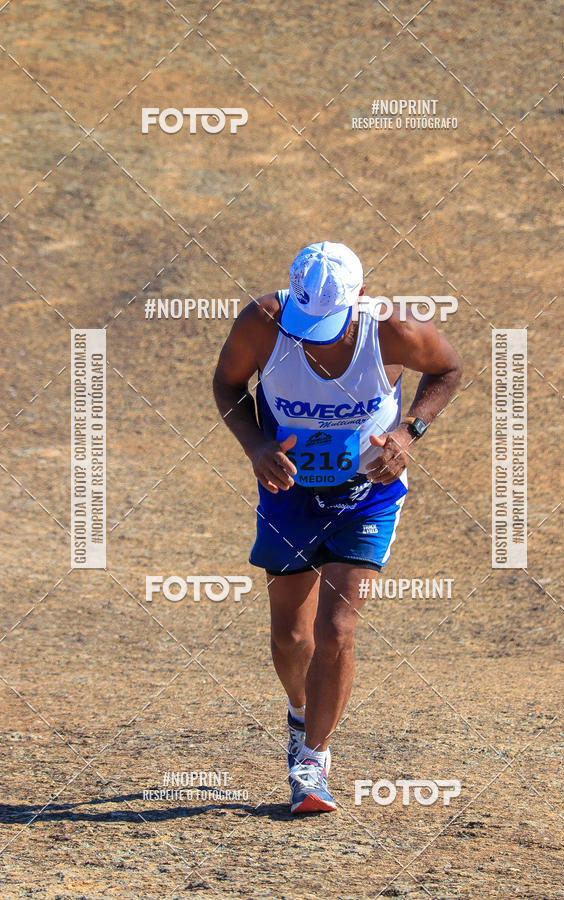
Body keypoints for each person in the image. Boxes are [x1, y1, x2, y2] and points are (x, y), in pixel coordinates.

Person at [213, 242, 462, 814]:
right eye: (305, 322)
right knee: (291, 638)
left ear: (362, 297)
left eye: (325, 324)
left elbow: (448, 370)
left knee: (337, 627)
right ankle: (300, 713)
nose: (312, 337)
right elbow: (227, 386)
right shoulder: (263, 322)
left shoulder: (395, 329)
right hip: (289, 492)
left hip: (367, 496)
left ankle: (312, 762)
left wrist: (408, 433)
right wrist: (256, 447)